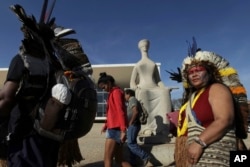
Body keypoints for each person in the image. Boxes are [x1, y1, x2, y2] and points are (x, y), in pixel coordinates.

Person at [174, 57, 237, 166]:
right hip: (197, 158)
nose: (194, 74)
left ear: (209, 73)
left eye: (199, 70)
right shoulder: (193, 97)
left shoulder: (217, 88)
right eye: (191, 72)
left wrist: (199, 142)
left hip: (217, 155)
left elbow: (224, 120)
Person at [130, 39, 172, 136]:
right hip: (143, 88)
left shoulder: (152, 64)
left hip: (155, 87)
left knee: (164, 93)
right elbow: (132, 82)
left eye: (146, 45)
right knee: (144, 94)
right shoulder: (137, 65)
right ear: (140, 48)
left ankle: (163, 127)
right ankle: (147, 128)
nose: (145, 47)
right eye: (142, 45)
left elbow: (158, 80)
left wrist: (164, 88)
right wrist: (136, 89)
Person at [97, 72, 131, 167]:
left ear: (108, 83)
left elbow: (120, 111)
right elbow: (112, 113)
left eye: (104, 87)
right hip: (114, 128)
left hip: (115, 129)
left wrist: (123, 130)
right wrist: (106, 125)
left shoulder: (116, 92)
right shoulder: (114, 92)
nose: (104, 90)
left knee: (107, 159)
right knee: (120, 160)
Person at [124, 89, 151, 166]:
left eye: (125, 95)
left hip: (134, 124)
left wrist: (130, 122)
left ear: (128, 94)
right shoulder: (131, 100)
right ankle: (133, 162)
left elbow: (135, 111)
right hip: (134, 125)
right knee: (132, 143)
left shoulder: (132, 99)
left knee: (130, 143)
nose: (124, 97)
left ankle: (145, 157)